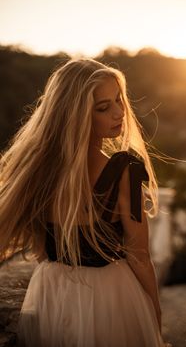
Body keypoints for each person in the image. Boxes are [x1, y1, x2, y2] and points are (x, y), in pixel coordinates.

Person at [0, 58, 166, 347]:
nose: (119, 113)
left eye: (118, 100)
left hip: (51, 293)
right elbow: (139, 257)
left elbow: (41, 247)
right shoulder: (123, 170)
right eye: (103, 107)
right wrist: (155, 314)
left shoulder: (36, 171)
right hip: (110, 298)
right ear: (76, 115)